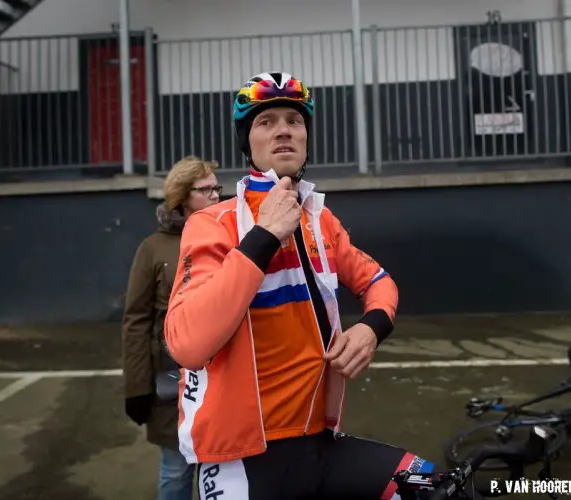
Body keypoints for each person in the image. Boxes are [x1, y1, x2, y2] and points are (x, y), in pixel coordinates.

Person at [163, 72, 438, 500]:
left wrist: (371, 328)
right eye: (265, 121)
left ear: (307, 135)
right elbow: (187, 344)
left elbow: (379, 282)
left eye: (294, 120)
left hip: (320, 443)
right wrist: (264, 235)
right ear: (247, 142)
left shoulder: (320, 220)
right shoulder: (211, 224)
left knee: (437, 487)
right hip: (242, 460)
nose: (284, 130)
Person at [122, 156, 221, 500]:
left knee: (223, 471)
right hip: (172, 382)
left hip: (223, 375)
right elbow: (136, 321)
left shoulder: (231, 237)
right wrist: (137, 387)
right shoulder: (152, 249)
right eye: (205, 189)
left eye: (216, 188)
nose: (215, 196)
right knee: (177, 471)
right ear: (181, 197)